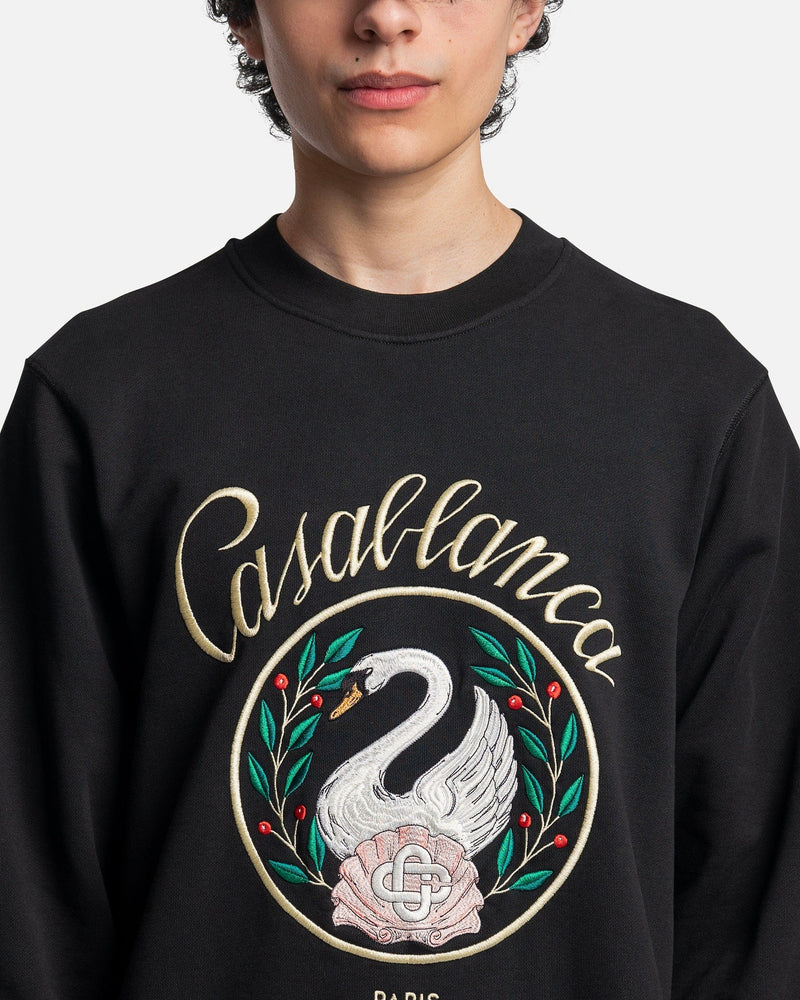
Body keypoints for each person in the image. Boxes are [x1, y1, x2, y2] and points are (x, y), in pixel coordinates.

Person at [1, 1, 798, 998]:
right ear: (245, 16)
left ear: (525, 8)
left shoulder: (695, 405)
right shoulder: (100, 401)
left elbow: (756, 913)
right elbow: (28, 898)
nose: (386, 14)